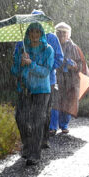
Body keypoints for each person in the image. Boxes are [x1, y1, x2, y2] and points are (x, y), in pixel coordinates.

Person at [15, 10, 64, 149]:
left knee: (45, 113)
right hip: (28, 83)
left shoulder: (52, 38)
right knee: (28, 115)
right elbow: (17, 60)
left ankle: (43, 139)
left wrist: (46, 69)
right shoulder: (23, 40)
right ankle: (31, 142)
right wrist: (22, 63)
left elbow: (59, 58)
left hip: (48, 81)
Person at [11, 22, 54, 165]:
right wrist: (20, 64)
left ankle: (34, 153)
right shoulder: (21, 49)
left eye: (37, 32)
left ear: (41, 34)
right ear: (27, 34)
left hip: (41, 90)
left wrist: (31, 64)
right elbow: (14, 71)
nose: (34, 35)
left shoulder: (48, 50)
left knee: (37, 120)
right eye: (31, 32)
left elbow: (45, 72)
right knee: (21, 118)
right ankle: (28, 146)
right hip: (24, 89)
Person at [50, 22, 89, 134]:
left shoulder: (74, 48)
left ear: (69, 35)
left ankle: (64, 125)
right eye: (59, 33)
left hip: (71, 80)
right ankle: (53, 127)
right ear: (56, 34)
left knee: (68, 103)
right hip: (57, 78)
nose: (62, 36)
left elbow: (81, 65)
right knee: (55, 103)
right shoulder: (52, 45)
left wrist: (74, 66)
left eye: (64, 33)